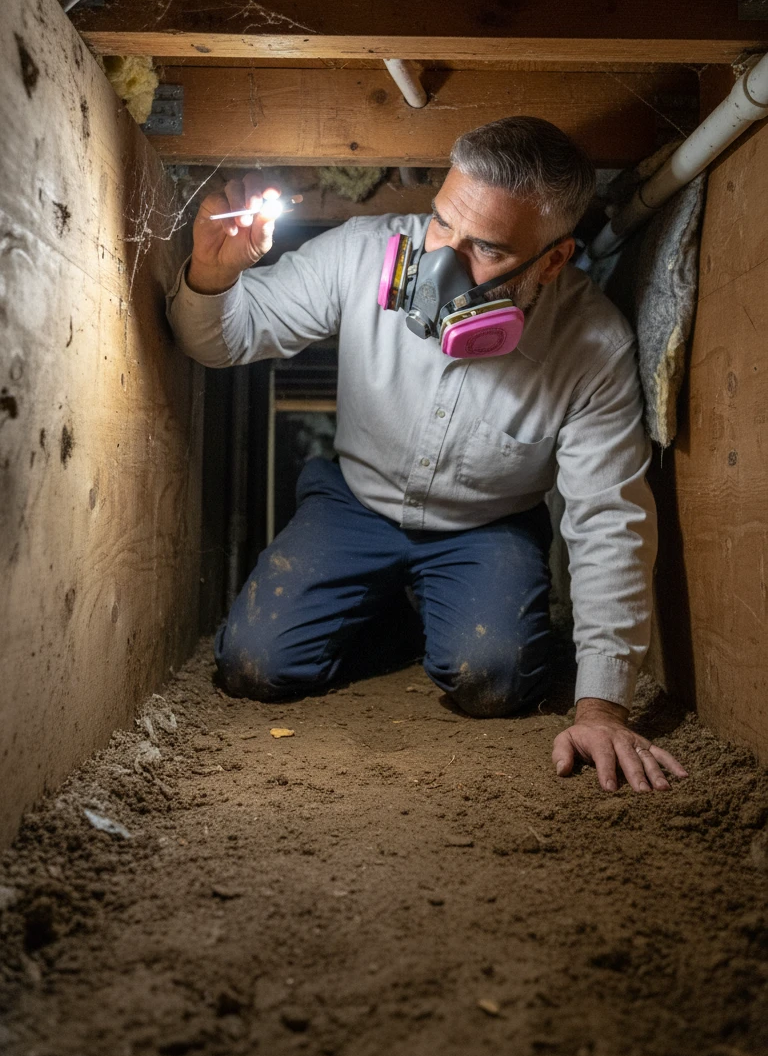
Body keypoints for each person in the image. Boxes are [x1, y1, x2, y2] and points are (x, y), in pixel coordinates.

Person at [167, 117, 688, 796]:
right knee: (254, 665)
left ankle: (448, 605)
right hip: (356, 501)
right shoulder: (363, 255)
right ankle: (393, 608)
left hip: (487, 526)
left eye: (488, 250)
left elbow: (607, 519)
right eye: (442, 225)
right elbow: (224, 342)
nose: (442, 261)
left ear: (553, 260)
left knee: (494, 679)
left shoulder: (593, 345)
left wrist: (601, 706)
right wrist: (213, 274)